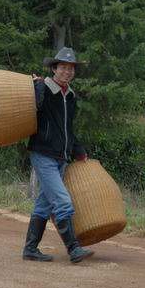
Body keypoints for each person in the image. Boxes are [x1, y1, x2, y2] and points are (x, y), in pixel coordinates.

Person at [22, 47, 93, 264]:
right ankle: (73, 249)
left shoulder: (70, 96)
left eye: (71, 68)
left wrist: (78, 150)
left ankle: (30, 249)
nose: (67, 72)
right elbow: (34, 107)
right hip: (42, 153)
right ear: (54, 68)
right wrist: (37, 86)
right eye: (63, 67)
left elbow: (68, 129)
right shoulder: (44, 88)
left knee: (44, 204)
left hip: (61, 157)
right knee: (62, 201)